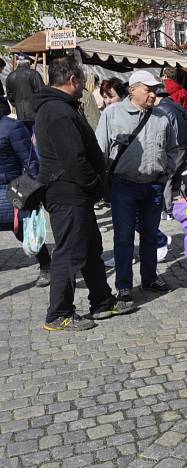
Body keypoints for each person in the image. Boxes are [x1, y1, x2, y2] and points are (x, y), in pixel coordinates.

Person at [32, 56, 134, 330]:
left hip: (76, 194)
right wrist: (95, 185)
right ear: (73, 80)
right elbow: (73, 159)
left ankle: (101, 300)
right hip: (68, 194)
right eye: (82, 82)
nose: (84, 88)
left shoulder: (60, 107)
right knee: (69, 254)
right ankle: (59, 313)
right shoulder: (57, 111)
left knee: (90, 248)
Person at [96, 70, 177, 306]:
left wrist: (165, 174)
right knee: (124, 238)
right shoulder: (112, 114)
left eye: (155, 90)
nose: (153, 94)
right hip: (123, 186)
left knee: (151, 235)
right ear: (133, 90)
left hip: (153, 186)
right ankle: (123, 287)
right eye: (148, 89)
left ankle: (150, 279)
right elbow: (100, 149)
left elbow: (173, 150)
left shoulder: (162, 116)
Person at [0, 105, 51, 286]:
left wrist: (35, 190)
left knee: (24, 232)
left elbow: (30, 161)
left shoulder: (12, 127)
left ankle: (46, 264)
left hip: (11, 188)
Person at [154, 85, 187, 220]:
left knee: (168, 177)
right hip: (185, 144)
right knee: (181, 177)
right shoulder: (177, 106)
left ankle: (168, 210)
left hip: (174, 145)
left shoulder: (161, 109)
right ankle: (185, 205)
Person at [6, 54, 45, 130]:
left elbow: (10, 96)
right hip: (35, 113)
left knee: (25, 136)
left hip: (20, 113)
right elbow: (42, 92)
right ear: (28, 63)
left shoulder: (10, 76)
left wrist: (17, 104)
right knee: (35, 137)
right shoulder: (34, 74)